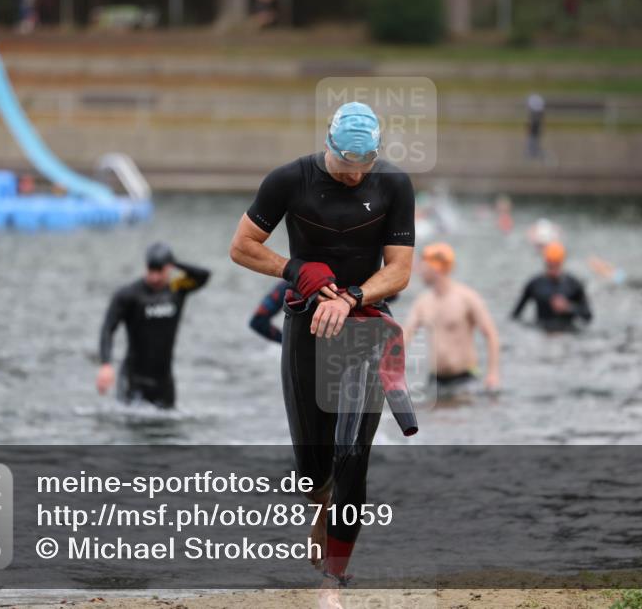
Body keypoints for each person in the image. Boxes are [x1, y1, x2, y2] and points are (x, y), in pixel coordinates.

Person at [229, 101, 415, 606]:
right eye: (345, 166)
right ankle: (319, 502)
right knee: (313, 466)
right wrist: (297, 271)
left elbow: (399, 270)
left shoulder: (394, 185)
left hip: (363, 326)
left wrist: (355, 296)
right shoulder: (289, 180)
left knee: (353, 452)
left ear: (375, 157)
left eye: (364, 167)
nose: (355, 176)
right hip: (304, 325)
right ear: (329, 148)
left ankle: (334, 577)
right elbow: (242, 245)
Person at [96, 242, 210, 409]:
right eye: (151, 271)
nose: (155, 277)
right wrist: (106, 363)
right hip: (133, 379)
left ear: (169, 268)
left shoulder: (178, 288)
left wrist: (174, 262)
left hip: (164, 381)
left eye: (160, 271)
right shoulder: (129, 295)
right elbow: (108, 328)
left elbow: (203, 276)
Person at [404, 243, 501, 394]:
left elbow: (491, 335)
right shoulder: (422, 302)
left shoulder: (467, 298)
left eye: (423, 266)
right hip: (435, 381)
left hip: (465, 379)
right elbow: (405, 336)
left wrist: (493, 373)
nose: (419, 272)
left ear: (436, 267)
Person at [511, 241, 592, 332]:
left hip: (567, 333)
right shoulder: (534, 284)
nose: (553, 269)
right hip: (542, 331)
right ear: (545, 262)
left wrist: (568, 307)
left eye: (556, 265)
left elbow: (588, 316)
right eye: (550, 265)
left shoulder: (574, 284)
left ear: (562, 263)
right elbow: (515, 316)